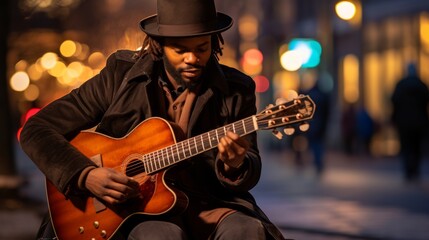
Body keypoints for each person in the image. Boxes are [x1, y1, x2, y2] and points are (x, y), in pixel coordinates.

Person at [19, 0, 286, 239]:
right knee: (160, 234)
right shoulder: (120, 76)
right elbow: (37, 128)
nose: (192, 58)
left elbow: (250, 163)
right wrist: (85, 175)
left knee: (247, 229)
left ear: (215, 42)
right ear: (158, 45)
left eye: (202, 48)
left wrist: (234, 165)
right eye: (180, 50)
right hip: (132, 208)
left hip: (209, 202)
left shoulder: (237, 89)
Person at [391, 63, 429, 182]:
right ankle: (415, 169)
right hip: (419, 122)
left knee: (407, 146)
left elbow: (394, 102)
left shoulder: (401, 85)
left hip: (404, 123)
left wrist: (395, 118)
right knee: (416, 146)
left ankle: (409, 170)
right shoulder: (421, 85)